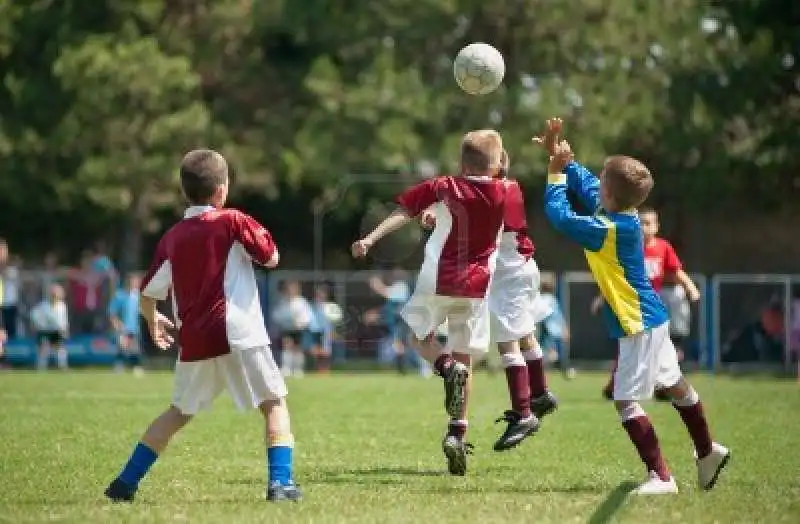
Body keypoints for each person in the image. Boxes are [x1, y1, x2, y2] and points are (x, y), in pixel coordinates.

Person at [537, 118, 729, 495]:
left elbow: (559, 216)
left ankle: (662, 478)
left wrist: (555, 176)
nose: (596, 181)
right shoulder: (617, 213)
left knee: (625, 401)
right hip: (652, 318)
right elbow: (589, 184)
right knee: (674, 385)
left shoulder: (610, 229)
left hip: (637, 323)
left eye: (602, 178)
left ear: (610, 194)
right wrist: (563, 158)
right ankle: (708, 452)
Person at [104, 149, 300, 503]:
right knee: (273, 404)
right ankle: (281, 484)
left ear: (184, 192)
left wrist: (152, 320)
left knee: (178, 412)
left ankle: (125, 483)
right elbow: (272, 257)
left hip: (195, 340)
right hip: (240, 333)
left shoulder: (173, 238)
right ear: (222, 190)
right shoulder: (233, 220)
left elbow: (148, 293)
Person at [352, 129, 507, 476]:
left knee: (419, 339)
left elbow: (404, 210)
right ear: (497, 165)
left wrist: (369, 238)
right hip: (478, 287)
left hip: (439, 279)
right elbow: (491, 185)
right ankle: (457, 432)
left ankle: (444, 366)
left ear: (461, 162)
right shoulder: (505, 191)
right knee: (466, 355)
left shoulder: (444, 187)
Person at [420, 150, 557, 452]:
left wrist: (438, 213)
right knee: (524, 334)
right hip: (523, 265)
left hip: (508, 272)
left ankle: (523, 413)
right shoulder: (512, 187)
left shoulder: (492, 192)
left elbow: (469, 214)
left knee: (507, 342)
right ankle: (542, 393)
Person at [596, 207, 701, 400]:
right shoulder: (629, 246)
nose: (644, 228)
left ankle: (663, 386)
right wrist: (601, 298)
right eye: (640, 223)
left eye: (648, 223)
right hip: (629, 305)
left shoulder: (663, 247)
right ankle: (616, 385)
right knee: (629, 345)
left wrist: (690, 287)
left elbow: (676, 271)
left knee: (660, 346)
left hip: (652, 305)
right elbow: (615, 277)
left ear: (657, 226)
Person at [271, 281, 313, 377]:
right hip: (286, 328)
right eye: (289, 289)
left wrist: (301, 323)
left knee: (297, 349)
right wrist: (283, 321)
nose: (291, 291)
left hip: (298, 329)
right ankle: (286, 368)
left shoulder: (301, 302)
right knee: (286, 347)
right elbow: (276, 315)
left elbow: (307, 316)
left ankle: (298, 369)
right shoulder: (282, 302)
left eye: (293, 289)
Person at [109, 273, 145, 376]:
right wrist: (116, 324)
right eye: (132, 281)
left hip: (134, 328)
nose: (135, 283)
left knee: (135, 349)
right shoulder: (120, 295)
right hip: (122, 328)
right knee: (122, 347)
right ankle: (118, 367)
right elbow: (112, 312)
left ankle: (136, 367)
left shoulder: (139, 296)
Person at [30, 284, 70, 371]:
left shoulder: (62, 306)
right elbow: (34, 315)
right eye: (53, 294)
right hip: (44, 330)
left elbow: (64, 320)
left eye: (57, 294)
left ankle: (62, 366)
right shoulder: (43, 305)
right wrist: (37, 324)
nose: (55, 296)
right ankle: (40, 367)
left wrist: (65, 329)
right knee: (44, 349)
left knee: (60, 348)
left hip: (57, 331)